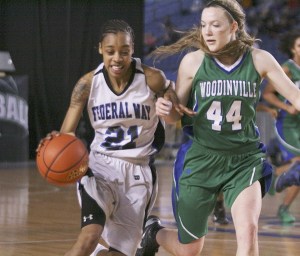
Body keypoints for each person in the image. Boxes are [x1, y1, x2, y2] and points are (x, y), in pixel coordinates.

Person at [136, 1, 300, 255]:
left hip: (243, 160)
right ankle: (154, 234)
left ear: (233, 26)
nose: (207, 32)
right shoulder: (193, 62)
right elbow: (175, 116)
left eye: (215, 25)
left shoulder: (259, 59)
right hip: (201, 159)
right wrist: (166, 111)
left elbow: (295, 95)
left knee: (249, 233)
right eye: (203, 25)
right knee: (189, 249)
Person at [37, 19, 179, 256]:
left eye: (124, 52)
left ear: (132, 50)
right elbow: (67, 133)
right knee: (89, 236)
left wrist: (169, 108)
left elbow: (175, 116)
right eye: (111, 51)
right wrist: (56, 142)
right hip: (100, 167)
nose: (117, 58)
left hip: (138, 173)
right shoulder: (87, 84)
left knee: (116, 253)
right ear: (100, 49)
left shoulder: (152, 78)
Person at [263, 30, 300, 223]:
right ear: (293, 49)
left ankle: (273, 176)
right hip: (288, 123)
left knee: (298, 170)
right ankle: (283, 205)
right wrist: (287, 106)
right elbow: (267, 93)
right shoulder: (287, 69)